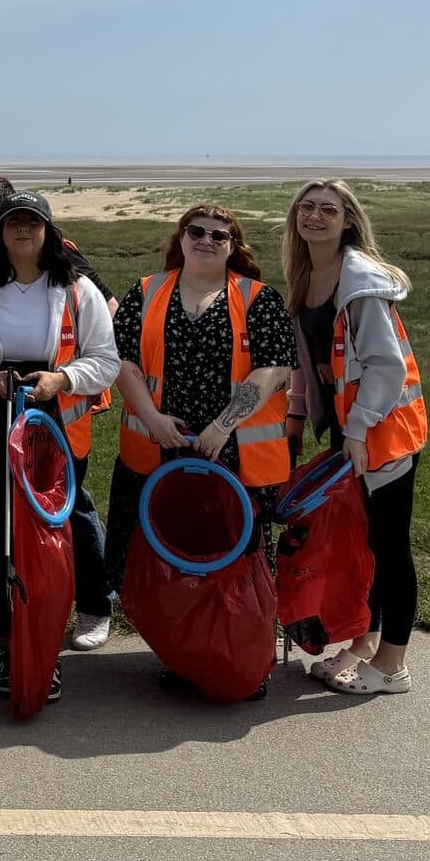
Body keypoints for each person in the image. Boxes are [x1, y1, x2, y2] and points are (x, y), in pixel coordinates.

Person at [0, 191, 121, 695]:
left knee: (47, 540)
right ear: (1, 231)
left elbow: (105, 360)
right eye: (14, 221)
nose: (23, 229)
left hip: (50, 420)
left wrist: (61, 380)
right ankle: (9, 646)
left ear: (48, 230)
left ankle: (44, 646)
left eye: (33, 221)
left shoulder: (77, 288)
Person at [104, 205, 298, 610]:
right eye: (196, 232)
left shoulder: (259, 299)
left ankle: (239, 661)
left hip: (233, 455)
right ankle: (179, 653)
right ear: (181, 239)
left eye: (218, 235)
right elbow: (121, 361)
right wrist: (152, 418)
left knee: (236, 564)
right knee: (164, 558)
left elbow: (274, 368)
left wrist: (221, 426)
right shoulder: (145, 292)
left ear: (233, 247)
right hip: (158, 449)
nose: (206, 240)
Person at [283, 180, 429, 696]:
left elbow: (387, 367)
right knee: (366, 543)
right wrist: (297, 414)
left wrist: (361, 430)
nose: (315, 216)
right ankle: (365, 642)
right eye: (307, 207)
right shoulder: (308, 276)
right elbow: (308, 360)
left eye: (329, 209)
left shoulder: (360, 281)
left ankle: (394, 663)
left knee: (390, 546)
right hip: (352, 431)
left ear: (348, 220)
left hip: (384, 431)